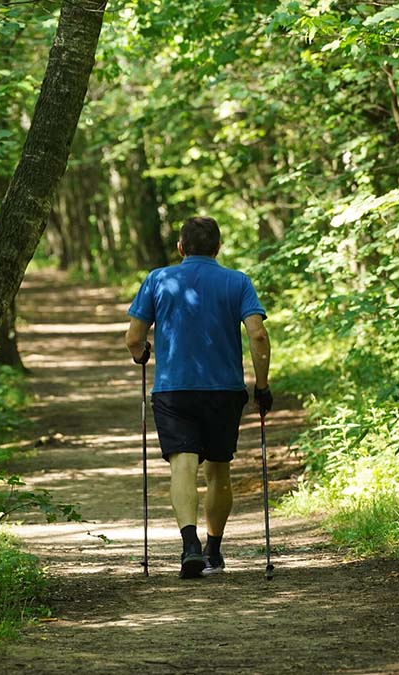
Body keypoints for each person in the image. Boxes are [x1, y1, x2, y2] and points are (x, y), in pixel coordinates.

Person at [125, 216, 272, 579]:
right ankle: (214, 551)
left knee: (183, 466)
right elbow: (257, 336)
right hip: (224, 390)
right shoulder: (238, 282)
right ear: (218, 247)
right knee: (219, 469)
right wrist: (262, 386)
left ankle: (189, 546)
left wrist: (140, 353)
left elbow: (134, 337)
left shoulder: (158, 279)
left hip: (174, 389)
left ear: (180, 247)